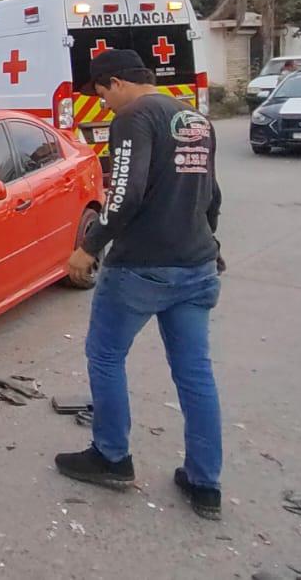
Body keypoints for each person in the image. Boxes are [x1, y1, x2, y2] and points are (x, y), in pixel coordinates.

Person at [55, 49, 225, 521]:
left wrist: (89, 245)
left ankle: (111, 457)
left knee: (105, 356)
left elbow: (124, 192)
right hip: (196, 264)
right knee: (195, 374)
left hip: (141, 268)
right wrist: (211, 240)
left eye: (102, 93)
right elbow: (210, 193)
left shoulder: (134, 116)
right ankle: (204, 483)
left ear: (115, 83)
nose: (104, 104)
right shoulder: (194, 119)